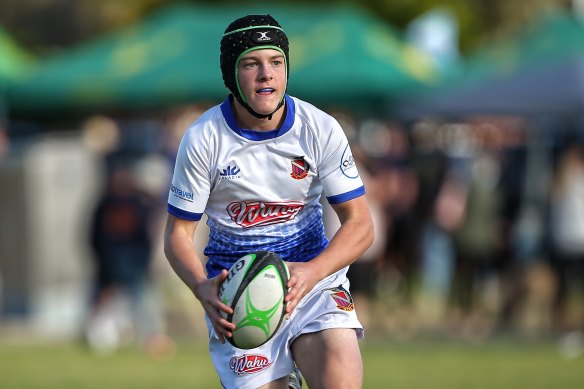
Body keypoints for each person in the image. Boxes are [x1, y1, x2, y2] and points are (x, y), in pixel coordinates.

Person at [163, 14, 373, 389]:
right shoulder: (203, 139)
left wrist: (313, 272)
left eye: (276, 62)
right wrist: (201, 287)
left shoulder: (319, 128)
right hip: (238, 295)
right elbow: (178, 233)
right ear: (231, 75)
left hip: (313, 284)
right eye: (251, 63)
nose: (266, 74)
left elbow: (360, 224)